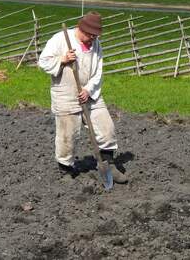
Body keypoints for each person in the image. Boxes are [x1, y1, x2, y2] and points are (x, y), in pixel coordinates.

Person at [38, 11, 128, 183]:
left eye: (96, 36)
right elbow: (43, 61)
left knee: (106, 127)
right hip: (65, 94)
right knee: (67, 134)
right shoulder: (60, 39)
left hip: (90, 93)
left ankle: (108, 163)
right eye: (91, 35)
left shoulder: (96, 45)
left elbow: (99, 72)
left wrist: (88, 89)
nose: (93, 39)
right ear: (82, 29)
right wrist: (63, 60)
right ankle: (66, 169)